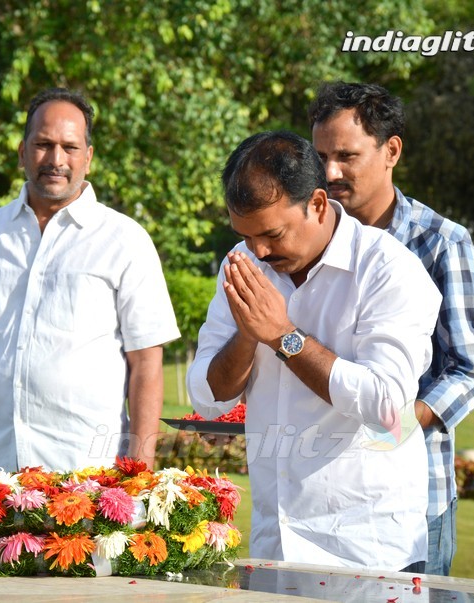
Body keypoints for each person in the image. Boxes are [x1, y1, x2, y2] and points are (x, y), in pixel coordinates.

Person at [186, 130, 442, 572]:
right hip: (275, 544)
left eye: (272, 234)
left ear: (318, 204)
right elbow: (208, 398)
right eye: (245, 236)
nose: (259, 251)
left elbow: (386, 405)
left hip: (369, 552)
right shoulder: (244, 263)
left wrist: (283, 336)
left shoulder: (389, 270)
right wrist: (249, 333)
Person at [0, 88, 179, 475]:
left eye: (70, 147)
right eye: (44, 144)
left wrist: (140, 472)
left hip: (86, 477)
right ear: (22, 152)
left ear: (89, 158)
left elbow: (147, 362)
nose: (56, 159)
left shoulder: (125, 240)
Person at [309, 82, 474, 576]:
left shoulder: (441, 243)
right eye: (321, 155)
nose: (330, 172)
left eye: (346, 155)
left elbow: (471, 371)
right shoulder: (309, 242)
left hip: (412, 499)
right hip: (320, 498)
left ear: (391, 151)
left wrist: (391, 424)